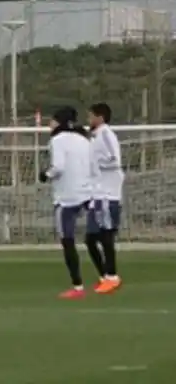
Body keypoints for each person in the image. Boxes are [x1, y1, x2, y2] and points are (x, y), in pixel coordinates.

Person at [38, 106, 97, 299]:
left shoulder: (57, 140)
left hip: (66, 198)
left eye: (53, 120)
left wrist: (46, 175)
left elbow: (58, 167)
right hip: (88, 193)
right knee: (96, 236)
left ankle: (77, 285)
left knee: (68, 241)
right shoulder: (84, 139)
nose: (50, 124)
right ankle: (107, 275)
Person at [86, 102, 123, 294]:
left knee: (105, 235)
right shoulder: (95, 137)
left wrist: (97, 165)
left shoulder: (106, 134)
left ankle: (112, 276)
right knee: (91, 237)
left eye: (91, 116)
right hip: (97, 195)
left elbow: (114, 160)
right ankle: (104, 276)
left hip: (108, 195)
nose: (89, 120)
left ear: (100, 117)